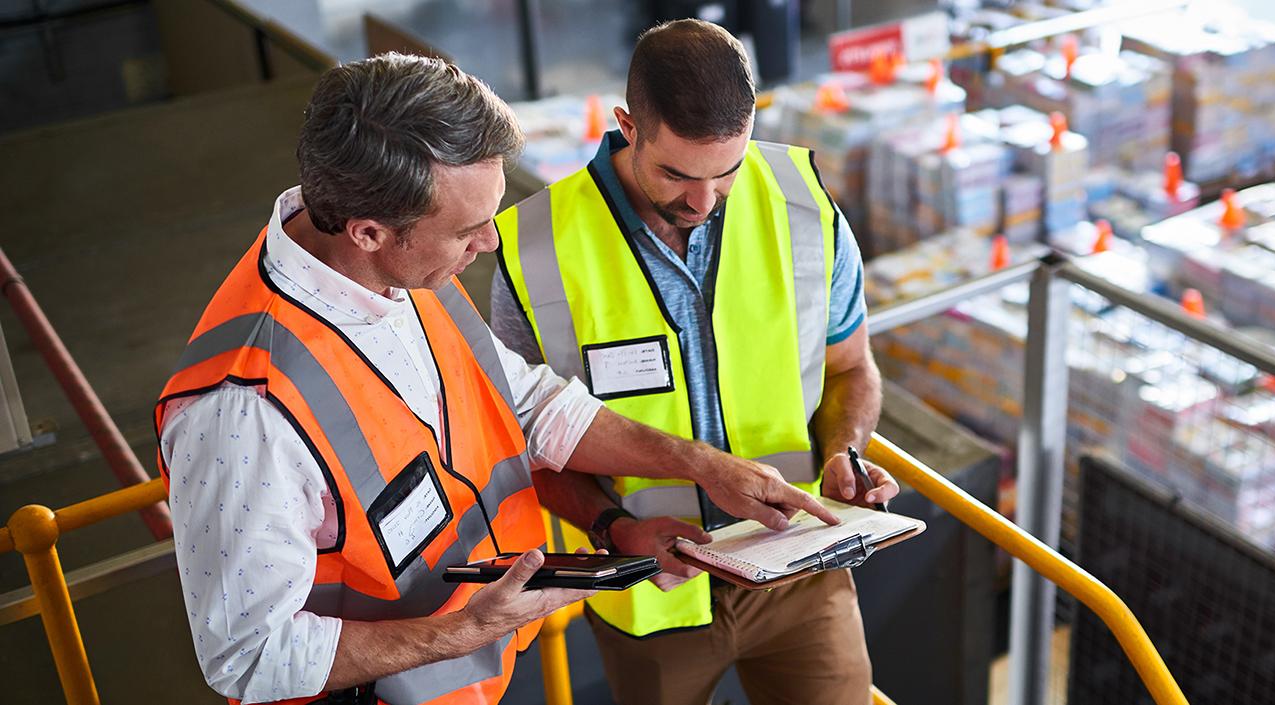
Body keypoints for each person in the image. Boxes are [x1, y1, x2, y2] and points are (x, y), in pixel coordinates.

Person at [155, 52, 836, 705]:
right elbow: (246, 653)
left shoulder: (400, 267)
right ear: (367, 232)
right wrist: (468, 629)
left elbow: (532, 404)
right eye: (468, 229)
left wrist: (701, 465)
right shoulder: (243, 412)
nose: (489, 243)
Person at [490, 19, 898, 705]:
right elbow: (520, 443)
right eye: (675, 174)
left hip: (801, 565)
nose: (704, 202)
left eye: (726, 172)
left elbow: (852, 368)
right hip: (650, 594)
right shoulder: (534, 249)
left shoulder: (804, 205)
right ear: (628, 126)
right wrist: (612, 528)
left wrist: (843, 453)